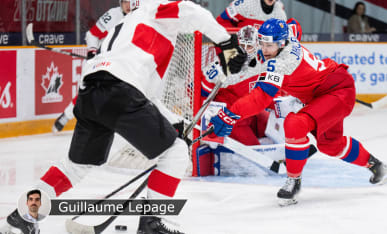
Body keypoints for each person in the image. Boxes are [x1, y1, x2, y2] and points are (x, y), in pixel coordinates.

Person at [5, 1, 246, 233]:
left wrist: (176, 124)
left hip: (91, 92)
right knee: (174, 153)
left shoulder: (134, 25)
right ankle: (153, 223)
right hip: (120, 91)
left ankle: (22, 217)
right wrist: (227, 42)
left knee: (76, 167)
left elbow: (148, 98)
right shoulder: (155, 9)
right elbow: (191, 10)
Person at [208, 18, 387, 206]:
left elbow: (261, 98)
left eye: (270, 46)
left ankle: (293, 182)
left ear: (282, 44)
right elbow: (293, 23)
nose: (265, 50)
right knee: (330, 145)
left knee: (295, 124)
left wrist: (230, 114)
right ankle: (379, 168)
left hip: (337, 91)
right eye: (263, 43)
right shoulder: (286, 35)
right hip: (322, 92)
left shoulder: (282, 62)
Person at [52, 0, 133, 133]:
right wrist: (92, 51)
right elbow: (92, 34)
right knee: (86, 93)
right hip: (98, 62)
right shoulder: (113, 15)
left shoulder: (139, 17)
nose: (127, 6)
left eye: (130, 2)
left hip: (118, 65)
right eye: (124, 2)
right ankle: (66, 116)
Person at [216, 0, 287, 29]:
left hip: (264, 53)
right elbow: (221, 21)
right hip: (240, 51)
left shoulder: (280, 10)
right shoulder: (245, 3)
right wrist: (232, 42)